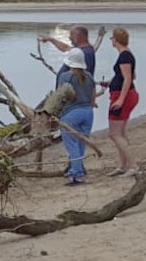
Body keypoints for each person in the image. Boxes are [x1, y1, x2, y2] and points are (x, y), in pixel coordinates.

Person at [56, 47, 96, 185]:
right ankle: (78, 168)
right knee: (80, 144)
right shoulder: (89, 76)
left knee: (71, 145)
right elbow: (92, 97)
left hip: (71, 114)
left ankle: (76, 174)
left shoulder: (65, 77)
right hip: (88, 112)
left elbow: (59, 97)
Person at [104, 27, 139, 176]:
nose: (111, 40)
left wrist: (120, 99)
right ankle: (122, 165)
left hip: (123, 96)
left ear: (116, 39)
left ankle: (133, 166)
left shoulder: (125, 56)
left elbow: (128, 78)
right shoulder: (126, 54)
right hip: (122, 93)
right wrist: (110, 83)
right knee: (121, 132)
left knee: (114, 133)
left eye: (112, 38)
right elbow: (129, 75)